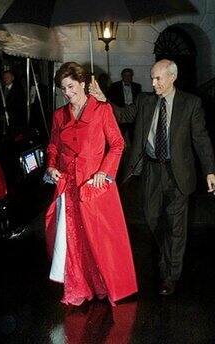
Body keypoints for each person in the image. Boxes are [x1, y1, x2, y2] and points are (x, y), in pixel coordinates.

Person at [90, 59, 215, 296]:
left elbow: (201, 138)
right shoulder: (145, 100)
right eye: (152, 77)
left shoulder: (191, 103)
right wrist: (103, 98)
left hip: (178, 172)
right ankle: (167, 254)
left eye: (158, 78)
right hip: (151, 170)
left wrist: (210, 170)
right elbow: (124, 115)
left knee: (176, 227)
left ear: (172, 77)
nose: (153, 82)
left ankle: (170, 275)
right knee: (152, 216)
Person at [45, 62, 138, 306]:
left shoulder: (102, 110)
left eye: (71, 86)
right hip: (68, 184)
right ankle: (78, 286)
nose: (67, 92)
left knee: (100, 239)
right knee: (73, 239)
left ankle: (105, 283)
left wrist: (104, 172)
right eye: (63, 88)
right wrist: (51, 166)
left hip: (93, 185)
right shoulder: (59, 115)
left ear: (83, 83)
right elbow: (54, 146)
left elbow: (117, 144)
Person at [0, 70, 26, 134]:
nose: (5, 79)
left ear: (12, 78)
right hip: (2, 120)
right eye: (4, 77)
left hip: (14, 120)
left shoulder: (18, 89)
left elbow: (20, 105)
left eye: (7, 77)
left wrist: (10, 115)